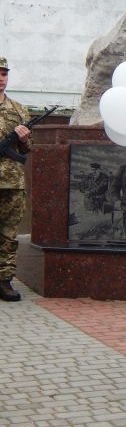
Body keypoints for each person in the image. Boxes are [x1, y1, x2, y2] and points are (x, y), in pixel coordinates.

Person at [0, 56, 31, 302]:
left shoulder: (19, 110)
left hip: (11, 183)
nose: (1, 79)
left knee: (9, 234)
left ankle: (5, 281)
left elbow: (28, 148)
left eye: (4, 74)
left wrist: (23, 139)